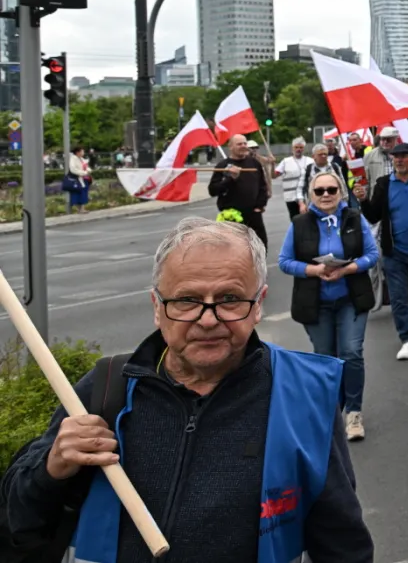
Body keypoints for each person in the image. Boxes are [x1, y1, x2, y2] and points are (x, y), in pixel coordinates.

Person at [0, 217, 374, 561]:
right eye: (186, 300)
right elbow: (18, 516)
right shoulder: (103, 391)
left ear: (258, 304)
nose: (208, 320)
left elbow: (342, 543)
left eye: (229, 299)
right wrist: (51, 469)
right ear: (157, 307)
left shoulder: (306, 394)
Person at [278, 171, 379, 442]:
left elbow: (372, 254)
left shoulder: (355, 219)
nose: (325, 195)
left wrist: (346, 270)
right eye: (320, 190)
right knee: (326, 358)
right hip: (316, 303)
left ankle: (354, 412)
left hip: (351, 299)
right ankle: (333, 410)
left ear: (340, 193)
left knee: (351, 352)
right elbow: (284, 261)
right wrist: (315, 269)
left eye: (331, 190)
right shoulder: (299, 223)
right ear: (312, 194)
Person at [357, 142, 408, 358]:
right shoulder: (384, 184)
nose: (398, 159)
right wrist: (362, 200)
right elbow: (373, 216)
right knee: (398, 298)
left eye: (404, 155)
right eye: (395, 156)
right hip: (394, 253)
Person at [208, 133, 271, 250]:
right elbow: (212, 190)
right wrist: (231, 178)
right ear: (230, 146)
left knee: (260, 247)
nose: (243, 146)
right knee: (233, 250)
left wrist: (260, 205)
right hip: (231, 217)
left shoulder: (254, 163)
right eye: (239, 144)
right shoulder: (222, 165)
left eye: (244, 143)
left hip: (253, 214)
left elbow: (262, 186)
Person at [299, 143, 348, 213]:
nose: (323, 156)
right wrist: (302, 204)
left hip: (335, 206)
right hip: (314, 208)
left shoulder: (335, 167)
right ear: (313, 156)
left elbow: (343, 186)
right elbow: (300, 188)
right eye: (320, 154)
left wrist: (344, 203)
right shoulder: (307, 169)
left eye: (325, 154)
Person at [275, 137, 314, 220]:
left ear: (304, 148)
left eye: (301, 147)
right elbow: (274, 175)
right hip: (291, 197)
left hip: (308, 196)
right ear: (292, 148)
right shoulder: (286, 161)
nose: (298, 149)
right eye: (296, 147)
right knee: (295, 220)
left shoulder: (310, 161)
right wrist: (271, 165)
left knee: (309, 219)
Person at [66, 145, 91, 213]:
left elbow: (86, 166)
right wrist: (83, 172)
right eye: (82, 151)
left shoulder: (81, 159)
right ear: (77, 152)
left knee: (83, 193)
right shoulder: (73, 159)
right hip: (77, 179)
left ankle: (82, 209)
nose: (83, 152)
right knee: (77, 194)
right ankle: (80, 209)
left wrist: (88, 171)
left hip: (83, 178)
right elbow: (73, 169)